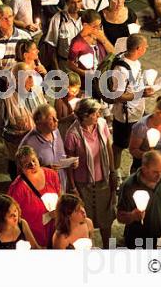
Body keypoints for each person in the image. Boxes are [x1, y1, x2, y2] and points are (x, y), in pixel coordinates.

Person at [64, 98, 116, 249]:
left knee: (107, 220)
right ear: (85, 116)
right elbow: (69, 164)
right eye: (95, 113)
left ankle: (109, 248)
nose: (99, 115)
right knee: (85, 222)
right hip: (83, 185)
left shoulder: (101, 124)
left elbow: (108, 147)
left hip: (103, 181)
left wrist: (112, 172)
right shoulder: (72, 134)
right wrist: (73, 187)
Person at [117, 150, 161, 249]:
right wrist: (132, 216)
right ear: (144, 169)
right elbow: (120, 216)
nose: (160, 175)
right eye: (155, 172)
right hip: (138, 241)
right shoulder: (129, 186)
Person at [109, 34, 153, 174]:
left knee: (140, 144)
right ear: (138, 48)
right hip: (125, 116)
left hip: (137, 112)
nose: (147, 48)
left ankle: (135, 172)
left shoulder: (136, 63)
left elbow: (134, 84)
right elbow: (118, 96)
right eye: (145, 46)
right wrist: (141, 94)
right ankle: (115, 173)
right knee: (119, 146)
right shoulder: (121, 70)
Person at [0, 62, 47, 178]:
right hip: (18, 155)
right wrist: (16, 137)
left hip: (38, 152)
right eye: (27, 75)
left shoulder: (38, 92)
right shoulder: (7, 100)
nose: (31, 78)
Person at [8, 146, 61, 248]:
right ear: (21, 168)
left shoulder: (52, 175)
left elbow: (60, 197)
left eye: (34, 160)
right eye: (27, 164)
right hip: (33, 237)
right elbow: (11, 215)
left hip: (54, 231)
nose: (32, 165)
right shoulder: (17, 188)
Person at [20, 104, 68, 192]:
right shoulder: (28, 143)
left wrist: (69, 162)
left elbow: (61, 157)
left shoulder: (56, 132)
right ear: (39, 121)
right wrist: (46, 169)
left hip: (60, 185)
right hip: (44, 188)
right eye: (51, 119)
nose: (56, 120)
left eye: (56, 117)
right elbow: (22, 173)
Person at [67, 9, 114, 85]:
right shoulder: (77, 42)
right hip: (87, 83)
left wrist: (103, 39)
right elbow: (70, 64)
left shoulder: (100, 35)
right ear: (85, 25)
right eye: (95, 26)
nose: (98, 28)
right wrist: (84, 73)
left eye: (100, 25)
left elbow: (113, 53)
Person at [44, 0, 83, 71]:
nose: (76, 6)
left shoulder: (86, 18)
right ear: (67, 3)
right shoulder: (58, 19)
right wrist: (56, 69)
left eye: (79, 2)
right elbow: (51, 46)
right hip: (65, 65)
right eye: (73, 2)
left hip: (83, 64)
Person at [0, 4, 31, 72]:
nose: (8, 20)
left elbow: (34, 58)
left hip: (21, 77)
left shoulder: (25, 37)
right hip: (0, 79)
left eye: (10, 16)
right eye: (4, 18)